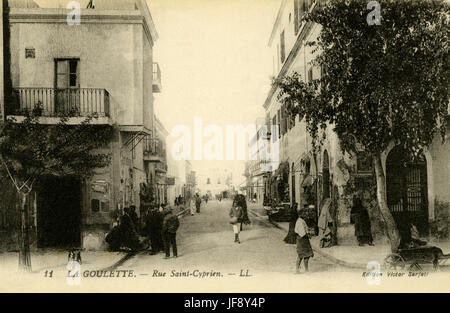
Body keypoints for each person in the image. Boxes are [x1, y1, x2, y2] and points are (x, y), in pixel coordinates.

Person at [295, 209, 314, 273]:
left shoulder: (301, 221)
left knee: (302, 255)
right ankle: (304, 270)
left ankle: (299, 269)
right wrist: (309, 235)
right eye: (305, 213)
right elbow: (302, 233)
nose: (306, 214)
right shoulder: (300, 222)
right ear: (301, 214)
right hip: (302, 240)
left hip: (302, 239)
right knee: (304, 255)